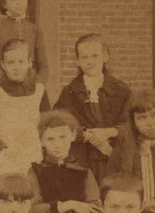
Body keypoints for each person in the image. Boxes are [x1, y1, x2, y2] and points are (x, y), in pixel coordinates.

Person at [53, 34, 134, 181]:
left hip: (113, 155)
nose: (90, 61)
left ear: (106, 56)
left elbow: (131, 123)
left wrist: (108, 133)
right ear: (78, 61)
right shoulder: (69, 92)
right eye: (84, 57)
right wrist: (87, 135)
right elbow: (59, 122)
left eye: (95, 56)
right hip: (82, 157)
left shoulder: (121, 90)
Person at [0, 37, 52, 171]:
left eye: (21, 62)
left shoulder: (39, 92)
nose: (16, 67)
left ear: (29, 63)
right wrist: (2, 150)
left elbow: (47, 126)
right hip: (6, 156)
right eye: (11, 63)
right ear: (3, 65)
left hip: (36, 155)